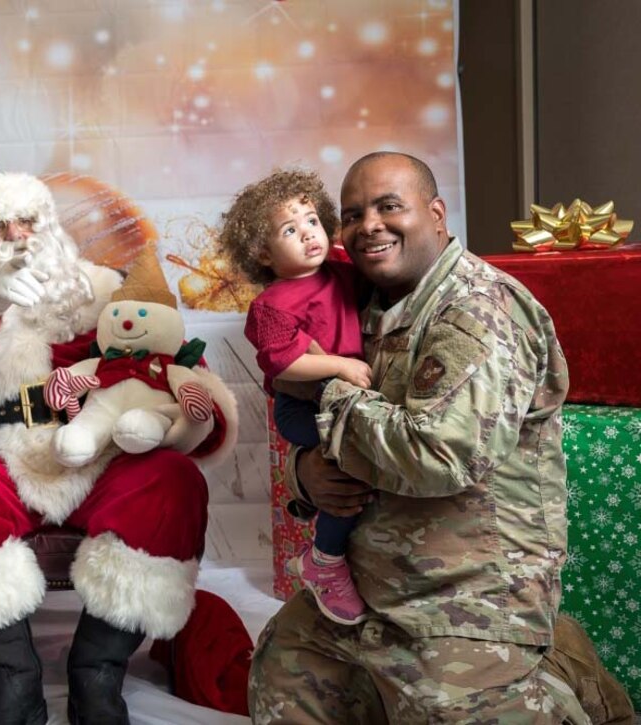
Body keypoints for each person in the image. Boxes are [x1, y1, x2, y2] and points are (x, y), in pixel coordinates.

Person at [248, 151, 591, 722]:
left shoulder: (479, 310)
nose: (368, 226)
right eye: (353, 216)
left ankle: (560, 678)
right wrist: (302, 471)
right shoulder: (360, 300)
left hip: (462, 601)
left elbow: (438, 455)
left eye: (389, 207)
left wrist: (329, 387)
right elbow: (321, 431)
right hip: (370, 588)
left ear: (436, 214)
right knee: (281, 667)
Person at [0, 170, 237, 725]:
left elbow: (170, 357)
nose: (14, 235)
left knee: (172, 482)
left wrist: (196, 406)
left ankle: (97, 674)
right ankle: (14, 681)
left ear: (49, 226)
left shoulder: (102, 290)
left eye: (27, 221)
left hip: (100, 448)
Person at [219, 168, 371, 627]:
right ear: (263, 253)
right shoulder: (274, 304)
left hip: (342, 397)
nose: (308, 235)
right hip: (301, 405)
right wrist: (340, 365)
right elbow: (284, 364)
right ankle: (324, 560)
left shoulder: (340, 270)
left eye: (312, 221)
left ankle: (341, 549)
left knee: (361, 460)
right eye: (290, 230)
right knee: (349, 455)